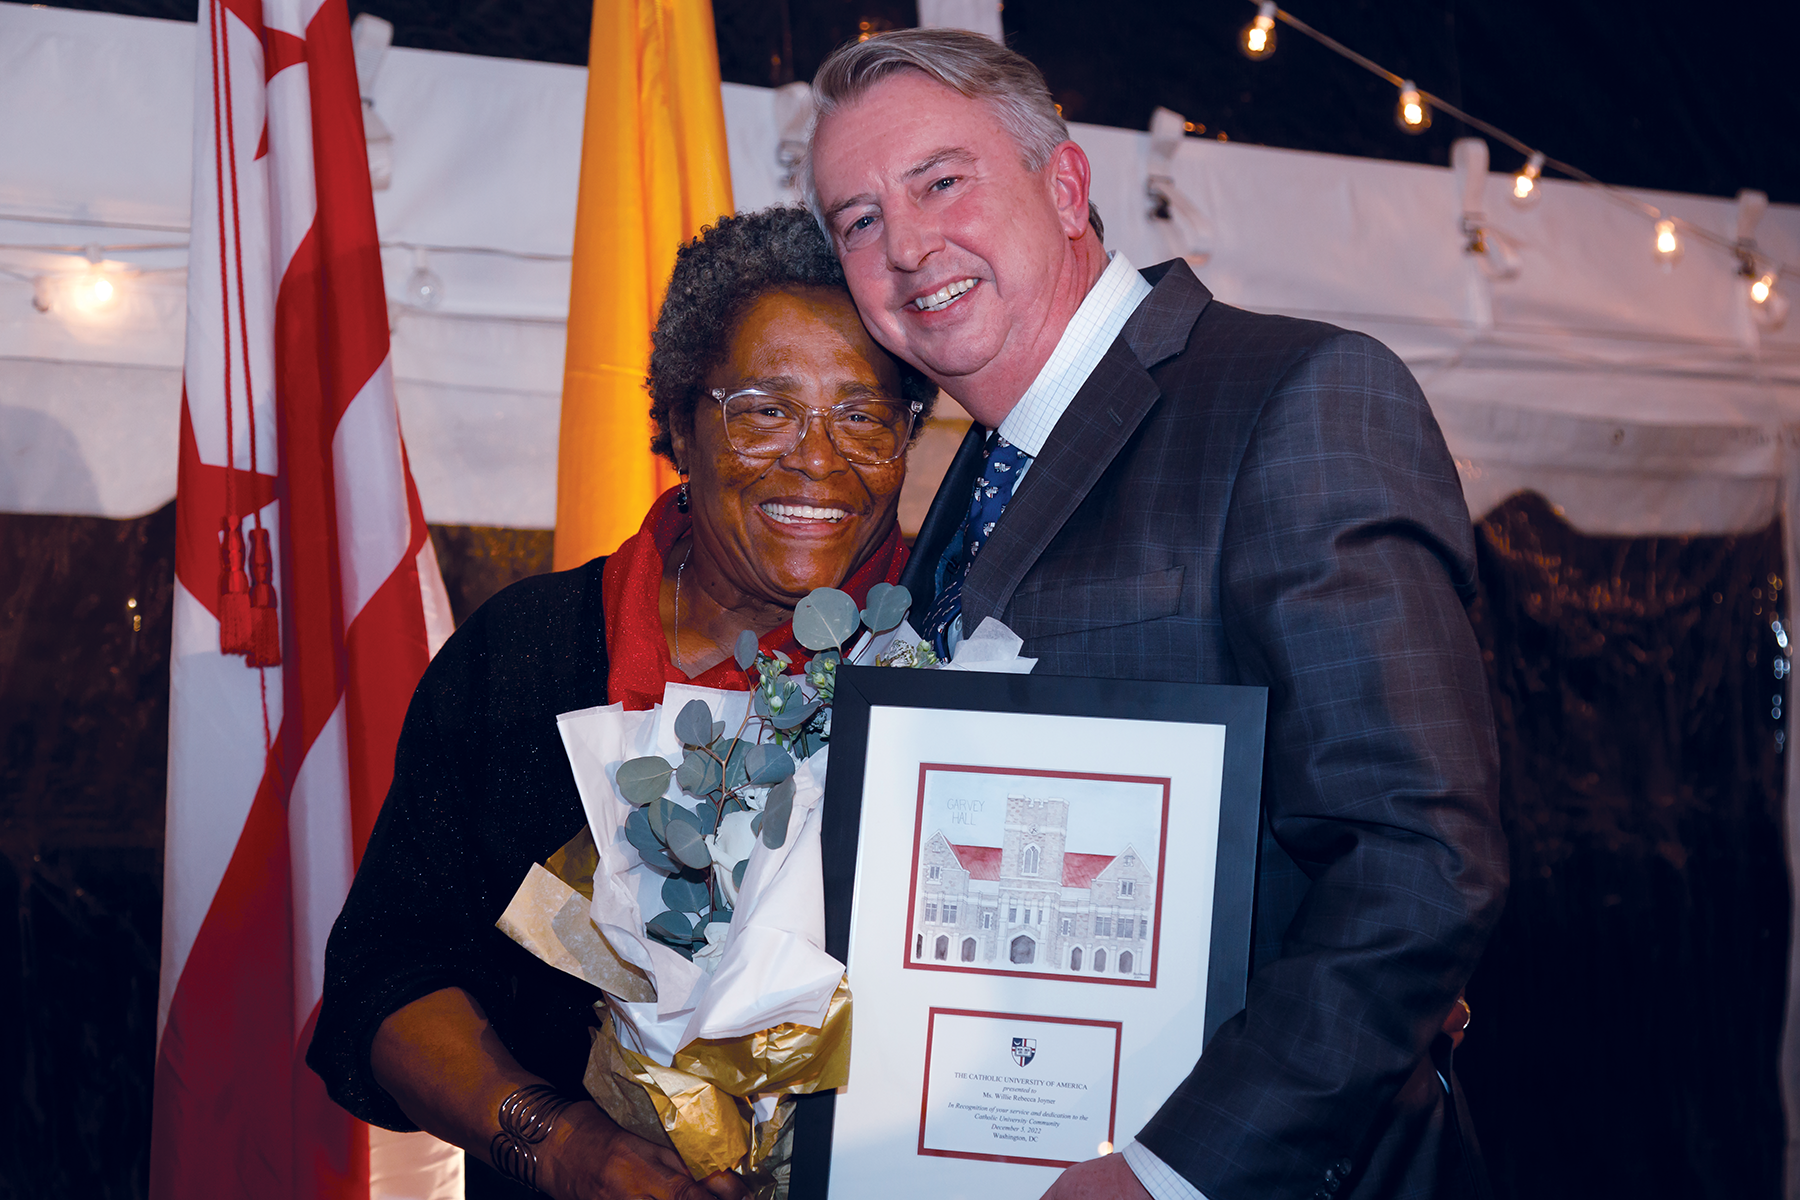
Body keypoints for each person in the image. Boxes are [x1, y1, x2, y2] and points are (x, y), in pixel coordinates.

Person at [806, 29, 1507, 1200]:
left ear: (1066, 186)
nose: (908, 244)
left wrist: (1175, 1170)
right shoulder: (969, 488)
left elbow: (1420, 859)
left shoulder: (1297, 394)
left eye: (940, 181)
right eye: (859, 219)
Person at [306, 205, 935, 1200]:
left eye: (864, 414)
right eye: (765, 408)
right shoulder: (525, 657)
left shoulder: (947, 666)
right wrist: (561, 1144)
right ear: (681, 420)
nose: (820, 459)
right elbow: (387, 982)